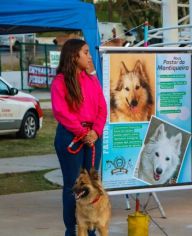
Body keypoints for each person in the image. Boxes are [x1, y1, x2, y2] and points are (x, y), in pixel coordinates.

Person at [51, 39, 107, 236]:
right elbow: (62, 112)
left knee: (91, 184)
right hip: (71, 137)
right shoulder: (60, 82)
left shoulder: (92, 79)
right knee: (74, 185)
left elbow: (102, 107)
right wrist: (83, 134)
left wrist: (95, 132)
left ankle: (89, 229)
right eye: (86, 52)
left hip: (92, 137)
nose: (90, 56)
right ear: (74, 56)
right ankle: (73, 230)